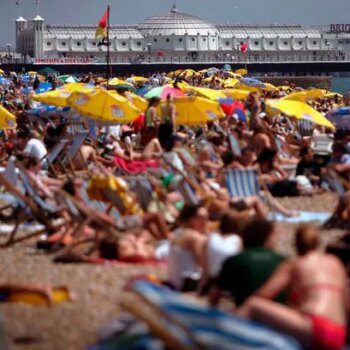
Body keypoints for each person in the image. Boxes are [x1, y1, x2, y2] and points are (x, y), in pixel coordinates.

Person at [238, 225, 348, 350]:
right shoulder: (335, 263)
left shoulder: (295, 264)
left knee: (253, 304)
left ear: (296, 244)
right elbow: (346, 302)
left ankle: (224, 336)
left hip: (315, 326)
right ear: (317, 242)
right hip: (338, 333)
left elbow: (263, 295)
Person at [209, 218, 285, 307]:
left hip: (244, 316)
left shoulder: (236, 260)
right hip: (277, 315)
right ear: (268, 237)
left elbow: (215, 296)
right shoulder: (284, 262)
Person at [167, 204, 209, 291]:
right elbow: (203, 264)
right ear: (190, 219)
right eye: (200, 218)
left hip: (175, 281)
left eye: (206, 218)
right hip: (188, 282)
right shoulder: (194, 237)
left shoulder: (178, 232)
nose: (205, 221)